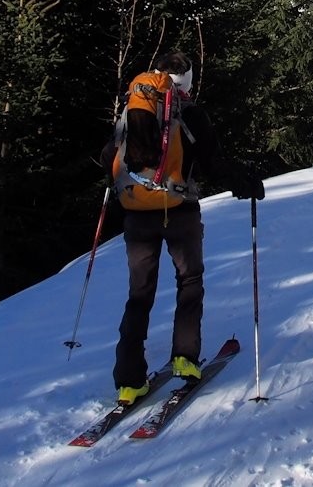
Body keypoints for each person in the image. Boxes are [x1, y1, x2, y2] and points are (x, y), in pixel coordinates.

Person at [101, 51, 264, 404]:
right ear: (187, 80)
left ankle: (129, 381)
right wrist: (245, 180)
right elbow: (213, 163)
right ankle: (185, 360)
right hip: (180, 210)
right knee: (189, 281)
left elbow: (108, 157)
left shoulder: (134, 107)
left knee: (138, 295)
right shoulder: (192, 114)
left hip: (136, 213)